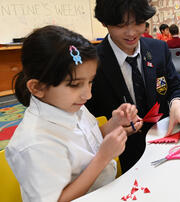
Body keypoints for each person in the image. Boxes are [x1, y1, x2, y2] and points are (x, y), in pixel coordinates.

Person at [6, 25, 142, 201]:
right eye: (74, 85)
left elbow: (84, 143)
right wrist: (103, 157)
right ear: (37, 87)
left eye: (90, 82)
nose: (88, 94)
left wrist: (114, 125)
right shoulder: (34, 143)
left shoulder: (69, 105)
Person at [86, 0, 180, 173]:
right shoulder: (92, 63)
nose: (131, 33)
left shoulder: (158, 49)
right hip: (119, 159)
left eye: (139, 23)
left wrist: (179, 103)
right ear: (105, 23)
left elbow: (178, 86)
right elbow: (82, 122)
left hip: (164, 146)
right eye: (121, 25)